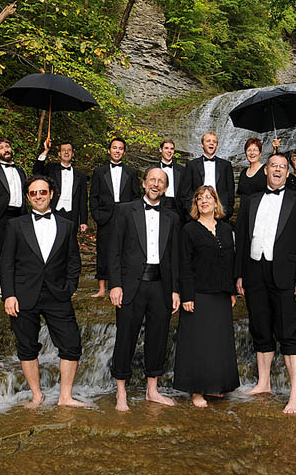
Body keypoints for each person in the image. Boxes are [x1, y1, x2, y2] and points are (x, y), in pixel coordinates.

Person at [235, 153, 296, 414]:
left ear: (287, 173)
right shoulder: (250, 200)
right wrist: (239, 274)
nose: (277, 170)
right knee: (260, 328)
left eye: (282, 167)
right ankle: (263, 383)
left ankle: (295, 394)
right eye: (273, 166)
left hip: (286, 274)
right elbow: (242, 240)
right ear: (265, 170)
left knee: (288, 332)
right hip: (254, 271)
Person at [1, 175, 87, 408]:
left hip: (57, 294)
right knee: (27, 346)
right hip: (23, 295)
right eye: (33, 193)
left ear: (51, 194)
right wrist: (9, 295)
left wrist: (70, 287)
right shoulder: (15, 225)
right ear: (28, 197)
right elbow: (6, 263)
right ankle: (37, 395)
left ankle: (65, 397)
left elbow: (73, 261)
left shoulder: (67, 225)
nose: (38, 196)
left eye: (42, 192)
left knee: (71, 344)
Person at [109, 167, 181, 411]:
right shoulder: (124, 211)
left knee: (158, 337)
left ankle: (152, 390)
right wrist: (115, 284)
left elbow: (174, 257)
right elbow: (114, 250)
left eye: (160, 181)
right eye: (152, 179)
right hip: (131, 285)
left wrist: (175, 290)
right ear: (144, 183)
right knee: (125, 337)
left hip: (161, 285)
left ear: (166, 188)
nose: (155, 184)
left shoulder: (173, 217)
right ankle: (121, 392)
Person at [174, 186, 240, 408]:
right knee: (198, 344)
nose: (204, 201)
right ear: (196, 204)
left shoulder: (225, 228)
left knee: (219, 343)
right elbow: (184, 264)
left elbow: (229, 261)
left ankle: (216, 386)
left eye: (208, 198)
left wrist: (231, 291)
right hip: (198, 294)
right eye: (200, 198)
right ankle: (197, 391)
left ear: (215, 202)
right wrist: (187, 295)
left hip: (221, 294)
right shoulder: (189, 230)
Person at [89, 137, 140, 298]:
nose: (117, 151)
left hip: (126, 217)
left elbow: (136, 196)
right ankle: (101, 289)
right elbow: (93, 197)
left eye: (120, 148)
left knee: (125, 250)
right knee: (103, 251)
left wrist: (133, 217)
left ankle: (122, 286)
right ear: (109, 150)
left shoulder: (132, 173)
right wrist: (98, 216)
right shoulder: (99, 172)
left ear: (124, 152)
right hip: (105, 218)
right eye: (114, 148)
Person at [32, 136, 88, 236]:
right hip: (53, 211)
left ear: (73, 154)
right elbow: (36, 171)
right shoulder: (51, 168)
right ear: (59, 154)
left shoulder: (81, 175)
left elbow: (83, 199)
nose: (66, 152)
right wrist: (46, 151)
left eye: (69, 150)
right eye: (63, 150)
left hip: (72, 215)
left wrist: (83, 221)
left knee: (70, 242)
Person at [180, 131, 235, 221]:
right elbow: (185, 192)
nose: (211, 143)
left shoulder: (226, 165)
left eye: (214, 141)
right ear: (202, 144)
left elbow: (230, 191)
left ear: (217, 145)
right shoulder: (191, 165)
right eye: (208, 141)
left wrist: (227, 212)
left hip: (220, 214)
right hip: (197, 213)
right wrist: (192, 212)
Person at [158, 137, 185, 219]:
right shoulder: (152, 169)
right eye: (166, 148)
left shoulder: (182, 170)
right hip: (159, 205)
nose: (169, 151)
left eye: (172, 149)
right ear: (160, 150)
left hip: (177, 208)